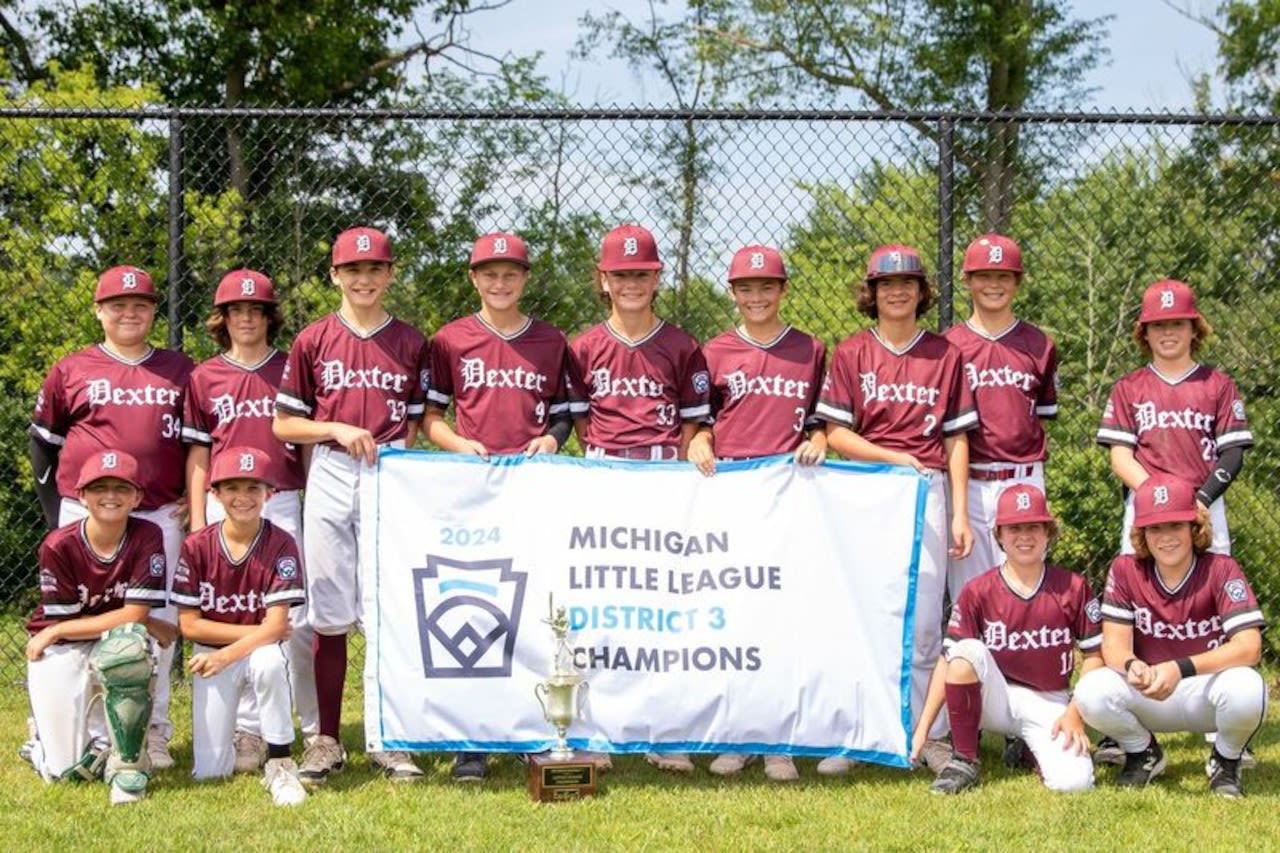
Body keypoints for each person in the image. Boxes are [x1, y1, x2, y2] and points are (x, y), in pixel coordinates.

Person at [273, 226, 431, 785]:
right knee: (330, 611)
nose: (364, 279)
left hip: (389, 471)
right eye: (353, 270)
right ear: (335, 275)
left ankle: (388, 739)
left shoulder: (412, 342)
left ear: (389, 275)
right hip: (332, 467)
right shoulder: (313, 339)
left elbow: (417, 420)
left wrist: (397, 460)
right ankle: (327, 740)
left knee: (386, 610)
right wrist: (336, 425)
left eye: (375, 269)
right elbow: (283, 423)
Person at [814, 244, 976, 776]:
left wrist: (956, 513)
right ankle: (856, 733)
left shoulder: (944, 354)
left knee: (926, 619)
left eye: (908, 283)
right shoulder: (853, 352)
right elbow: (836, 433)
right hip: (867, 486)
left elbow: (956, 439)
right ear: (873, 293)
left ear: (922, 292)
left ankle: (924, 734)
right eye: (887, 284)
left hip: (926, 488)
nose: (898, 291)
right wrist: (892, 456)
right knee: (862, 614)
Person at [425, 231, 577, 781]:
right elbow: (431, 417)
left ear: (525, 278)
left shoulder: (550, 341)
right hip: (475, 487)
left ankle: (530, 728)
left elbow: (563, 415)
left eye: (510, 272)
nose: (500, 282)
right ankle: (473, 738)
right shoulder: (449, 340)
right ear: (473, 278)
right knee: (477, 604)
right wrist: (458, 445)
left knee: (532, 604)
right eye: (489, 273)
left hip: (531, 486)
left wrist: (553, 440)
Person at [28, 265, 193, 770]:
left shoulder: (180, 369)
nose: (129, 312)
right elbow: (43, 442)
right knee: (82, 622)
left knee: (158, 624)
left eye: (140, 304)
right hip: (86, 509)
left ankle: (153, 733)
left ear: (153, 312)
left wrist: (193, 495)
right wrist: (57, 512)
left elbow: (200, 443)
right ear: (99, 310)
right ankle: (94, 733)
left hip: (158, 510)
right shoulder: (72, 369)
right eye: (118, 304)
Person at [569, 223, 711, 773]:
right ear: (603, 280)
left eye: (642, 274)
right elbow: (580, 420)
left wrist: (697, 444)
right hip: (604, 473)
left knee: (661, 610)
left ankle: (663, 729)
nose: (631, 283)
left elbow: (696, 425)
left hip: (662, 476)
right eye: (621, 274)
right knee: (601, 607)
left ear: (657, 279)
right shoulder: (583, 347)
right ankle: (597, 732)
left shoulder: (680, 345)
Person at [688, 244, 826, 783]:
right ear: (733, 292)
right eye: (746, 288)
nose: (757, 296)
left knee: (783, 616)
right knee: (734, 616)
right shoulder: (715, 350)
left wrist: (816, 438)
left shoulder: (810, 349)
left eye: (767, 286)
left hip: (790, 494)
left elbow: (820, 420)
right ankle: (739, 733)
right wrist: (699, 441)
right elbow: (701, 420)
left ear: (783, 289)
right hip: (733, 492)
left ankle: (781, 740)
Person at [183, 268, 316, 774]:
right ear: (222, 319)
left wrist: (306, 499)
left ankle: (296, 726)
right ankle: (245, 729)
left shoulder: (289, 368)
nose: (245, 318)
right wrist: (198, 518)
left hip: (279, 499)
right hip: (222, 501)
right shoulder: (204, 376)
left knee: (293, 622)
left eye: (255, 310)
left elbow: (302, 443)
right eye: (236, 310)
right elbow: (198, 452)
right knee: (231, 615)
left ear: (268, 317)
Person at [1073, 475, 1266, 798]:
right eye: (1155, 528)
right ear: (1142, 534)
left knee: (1249, 688)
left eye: (1175, 525)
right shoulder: (1125, 569)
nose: (1165, 537)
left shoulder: (1221, 568)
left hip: (1204, 689)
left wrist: (1180, 667)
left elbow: (1249, 647)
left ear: (1195, 528)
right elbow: (1114, 645)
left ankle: (1226, 759)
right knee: (1090, 691)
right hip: (1149, 687)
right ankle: (1143, 752)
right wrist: (1132, 664)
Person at [913, 484, 1101, 794]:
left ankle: (1026, 748)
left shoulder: (1073, 586)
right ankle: (964, 759)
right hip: (995, 698)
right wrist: (923, 731)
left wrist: (1074, 712)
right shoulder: (978, 590)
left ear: (1048, 533)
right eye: (1014, 528)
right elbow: (948, 661)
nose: (1024, 536)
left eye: (1033, 527)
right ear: (999, 535)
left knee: (1075, 784)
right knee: (964, 651)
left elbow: (1095, 657)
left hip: (1049, 700)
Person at [24, 451, 174, 805]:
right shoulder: (58, 544)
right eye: (99, 487)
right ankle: (40, 744)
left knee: (131, 650)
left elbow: (134, 616)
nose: (111, 495)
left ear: (137, 497)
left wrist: (141, 620)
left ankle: (126, 761)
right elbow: (68, 624)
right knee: (63, 772)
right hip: (60, 644)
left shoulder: (147, 534)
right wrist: (56, 632)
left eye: (122, 488)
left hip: (95, 636)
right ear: (81, 496)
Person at [171, 446, 308, 807]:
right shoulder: (197, 545)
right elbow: (190, 626)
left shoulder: (281, 542)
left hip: (242, 653)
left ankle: (280, 761)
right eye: (232, 488)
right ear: (214, 494)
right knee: (210, 772)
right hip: (213, 656)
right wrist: (263, 631)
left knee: (270, 661)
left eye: (253, 488)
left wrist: (237, 648)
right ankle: (237, 741)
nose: (242, 497)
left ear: (270, 493)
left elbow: (278, 626)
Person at [1097, 278, 1251, 556]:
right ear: (1144, 332)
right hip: (1147, 505)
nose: (1168, 332)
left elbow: (1233, 454)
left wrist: (1200, 500)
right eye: (1158, 325)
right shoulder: (1129, 387)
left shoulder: (1218, 385)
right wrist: (1163, 501)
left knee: (1210, 589)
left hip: (1205, 503)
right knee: (1139, 589)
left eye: (1177, 323)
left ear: (1195, 329)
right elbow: (1120, 459)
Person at [945, 234, 1058, 601]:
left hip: (1024, 480)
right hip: (970, 485)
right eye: (984, 275)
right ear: (967, 280)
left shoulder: (1040, 344)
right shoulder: (947, 347)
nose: (994, 285)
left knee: (1025, 593)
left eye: (1004, 276)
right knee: (970, 597)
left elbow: (1039, 417)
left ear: (1017, 282)